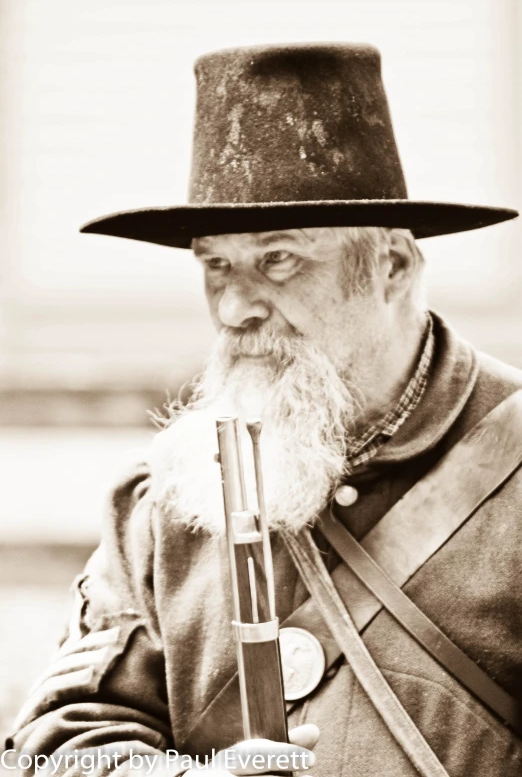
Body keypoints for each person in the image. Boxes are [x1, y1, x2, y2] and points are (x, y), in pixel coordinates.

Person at [7, 43, 522, 777]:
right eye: (215, 264)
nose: (234, 306)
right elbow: (63, 740)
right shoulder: (166, 499)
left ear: (394, 267)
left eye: (278, 258)